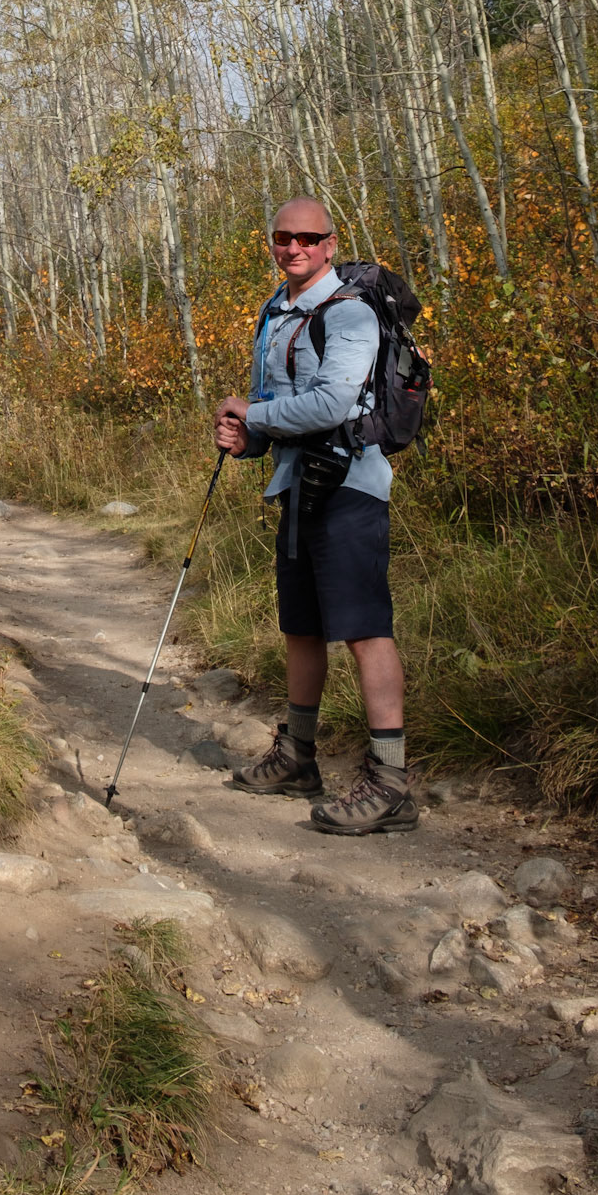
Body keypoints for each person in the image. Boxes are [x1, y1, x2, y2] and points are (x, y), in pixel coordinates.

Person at [213, 197, 417, 835]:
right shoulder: (275, 312)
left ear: (330, 245)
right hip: (298, 486)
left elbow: (331, 404)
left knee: (364, 629)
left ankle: (391, 784)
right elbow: (276, 406)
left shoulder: (350, 313)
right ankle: (298, 757)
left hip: (351, 488)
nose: (294, 247)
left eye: (308, 237)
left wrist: (251, 415)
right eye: (283, 237)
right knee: (301, 626)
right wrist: (249, 439)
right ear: (272, 242)